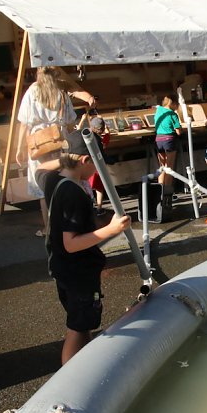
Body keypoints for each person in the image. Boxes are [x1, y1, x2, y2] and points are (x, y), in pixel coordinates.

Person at [36, 130, 130, 364]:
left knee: (83, 322)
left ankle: (82, 366)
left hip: (62, 268)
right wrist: (111, 230)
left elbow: (37, 170)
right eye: (95, 164)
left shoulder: (52, 180)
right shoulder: (74, 194)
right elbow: (71, 243)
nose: (97, 171)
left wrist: (69, 156)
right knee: (77, 329)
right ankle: (69, 380)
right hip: (78, 272)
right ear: (86, 160)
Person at [15, 66, 98, 236]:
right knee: (64, 181)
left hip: (39, 143)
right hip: (60, 141)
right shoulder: (61, 92)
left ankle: (48, 228)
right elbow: (69, 120)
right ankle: (68, 224)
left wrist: (19, 148)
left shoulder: (32, 91)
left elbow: (24, 122)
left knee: (43, 186)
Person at [153, 94, 182, 196]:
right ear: (173, 103)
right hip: (169, 140)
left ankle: (159, 191)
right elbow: (178, 132)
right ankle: (168, 192)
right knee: (169, 167)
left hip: (158, 140)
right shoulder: (172, 114)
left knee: (162, 167)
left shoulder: (158, 111)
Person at [86, 117, 111, 216]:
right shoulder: (100, 141)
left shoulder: (88, 138)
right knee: (99, 189)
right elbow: (106, 141)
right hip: (98, 168)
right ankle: (99, 208)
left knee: (88, 188)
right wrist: (107, 133)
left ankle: (89, 208)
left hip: (88, 167)